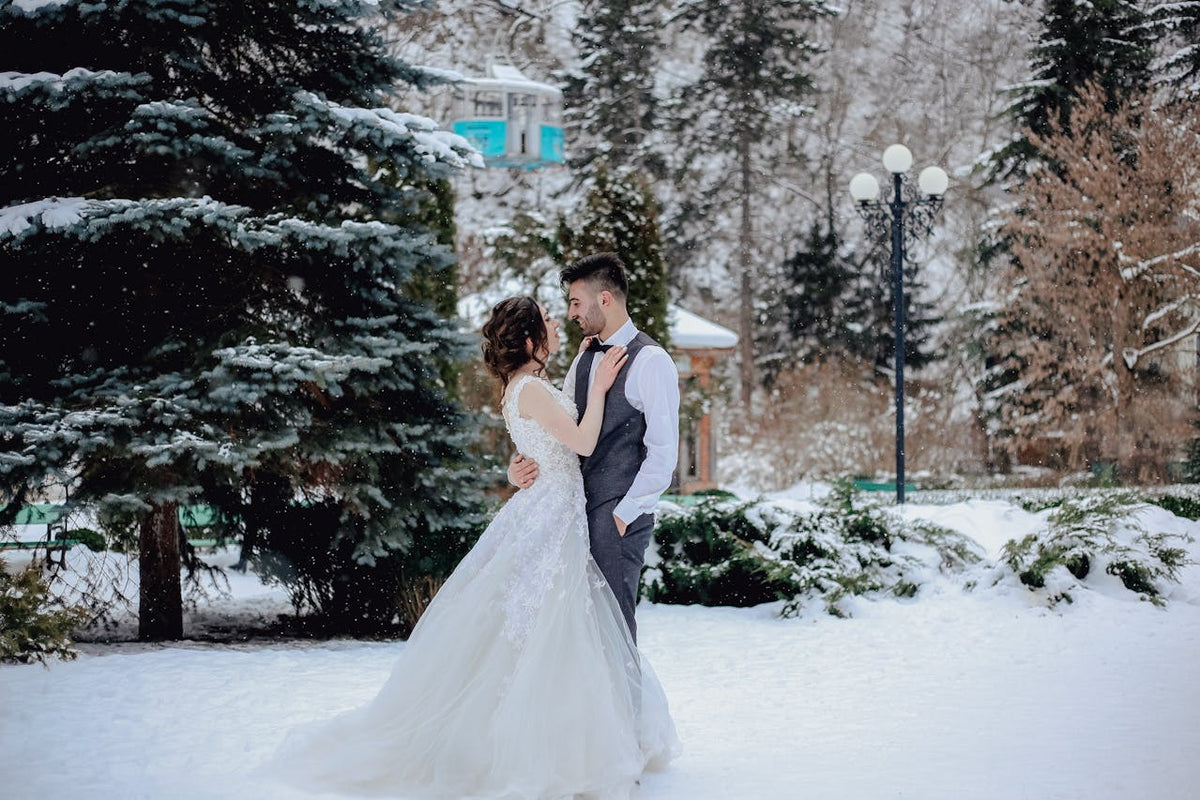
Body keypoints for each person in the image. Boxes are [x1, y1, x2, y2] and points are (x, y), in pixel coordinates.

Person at [269, 295, 679, 799]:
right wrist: (598, 390)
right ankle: (534, 748)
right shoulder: (529, 388)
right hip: (551, 515)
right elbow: (584, 442)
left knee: (559, 624)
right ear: (530, 341)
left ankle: (574, 735)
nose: (556, 328)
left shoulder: (522, 388)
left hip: (554, 507)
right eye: (548, 324)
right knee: (543, 624)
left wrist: (516, 466)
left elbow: (541, 443)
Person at [509, 253, 680, 644]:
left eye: (575, 302)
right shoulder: (584, 357)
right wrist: (516, 468)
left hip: (616, 516)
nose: (570, 313)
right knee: (580, 636)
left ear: (604, 299)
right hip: (570, 516)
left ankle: (627, 708)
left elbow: (663, 454)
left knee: (615, 630)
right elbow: (559, 433)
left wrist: (623, 515)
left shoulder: (652, 361)